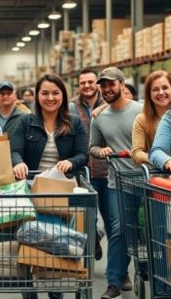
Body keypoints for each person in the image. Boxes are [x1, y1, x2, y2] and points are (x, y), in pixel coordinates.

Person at [10, 74, 88, 299]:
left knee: (58, 241)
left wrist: (71, 162)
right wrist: (19, 163)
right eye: (45, 93)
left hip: (62, 192)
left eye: (55, 92)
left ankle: (56, 292)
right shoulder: (26, 121)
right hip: (33, 190)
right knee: (29, 241)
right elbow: (15, 150)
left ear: (62, 95)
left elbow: (83, 154)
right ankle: (30, 292)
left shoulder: (73, 122)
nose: (50, 97)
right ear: (37, 95)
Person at [89, 67, 143, 299]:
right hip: (117, 182)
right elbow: (92, 147)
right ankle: (114, 282)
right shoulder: (99, 117)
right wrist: (101, 151)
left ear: (122, 84)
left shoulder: (142, 111)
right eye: (103, 85)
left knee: (147, 230)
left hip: (147, 180)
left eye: (112, 84)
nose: (107, 89)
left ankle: (150, 271)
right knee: (118, 230)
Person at [67, 67, 106, 261]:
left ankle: (97, 237)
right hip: (82, 170)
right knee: (88, 216)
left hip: (105, 169)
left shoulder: (108, 103)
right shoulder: (72, 107)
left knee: (111, 219)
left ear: (97, 83)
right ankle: (93, 239)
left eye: (90, 82)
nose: (87, 86)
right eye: (83, 83)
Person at [131, 71, 171, 165]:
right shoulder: (142, 120)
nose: (161, 93)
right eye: (155, 89)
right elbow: (136, 153)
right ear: (149, 94)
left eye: (165, 88)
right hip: (158, 174)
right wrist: (161, 160)